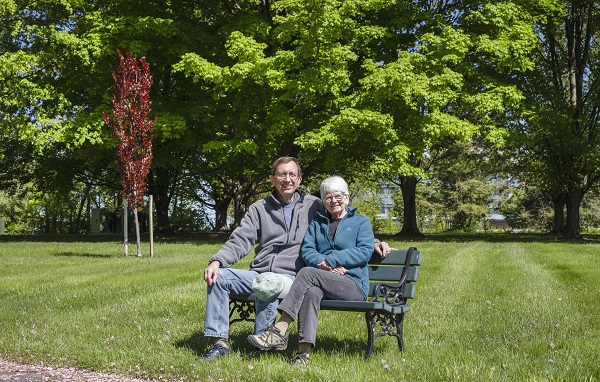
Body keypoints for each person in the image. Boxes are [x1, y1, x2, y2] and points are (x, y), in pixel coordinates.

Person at [200, 157, 392, 361]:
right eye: (282, 174)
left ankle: (267, 341)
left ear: (300, 180)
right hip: (260, 272)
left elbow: (341, 220)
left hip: (293, 276)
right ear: (272, 179)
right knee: (220, 277)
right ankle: (220, 343)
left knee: (269, 284)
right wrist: (217, 261)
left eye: (292, 174)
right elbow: (240, 240)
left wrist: (374, 243)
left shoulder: (314, 205)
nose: (287, 179)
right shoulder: (259, 208)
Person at [247, 175, 374, 365]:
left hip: (353, 284)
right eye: (328, 197)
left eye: (338, 196)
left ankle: (279, 330)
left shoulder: (360, 222)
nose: (333, 201)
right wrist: (324, 265)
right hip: (324, 280)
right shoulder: (317, 224)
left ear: (347, 198)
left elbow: (364, 251)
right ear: (323, 201)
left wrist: (331, 260)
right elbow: (308, 250)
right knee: (311, 292)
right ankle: (303, 354)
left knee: (306, 273)